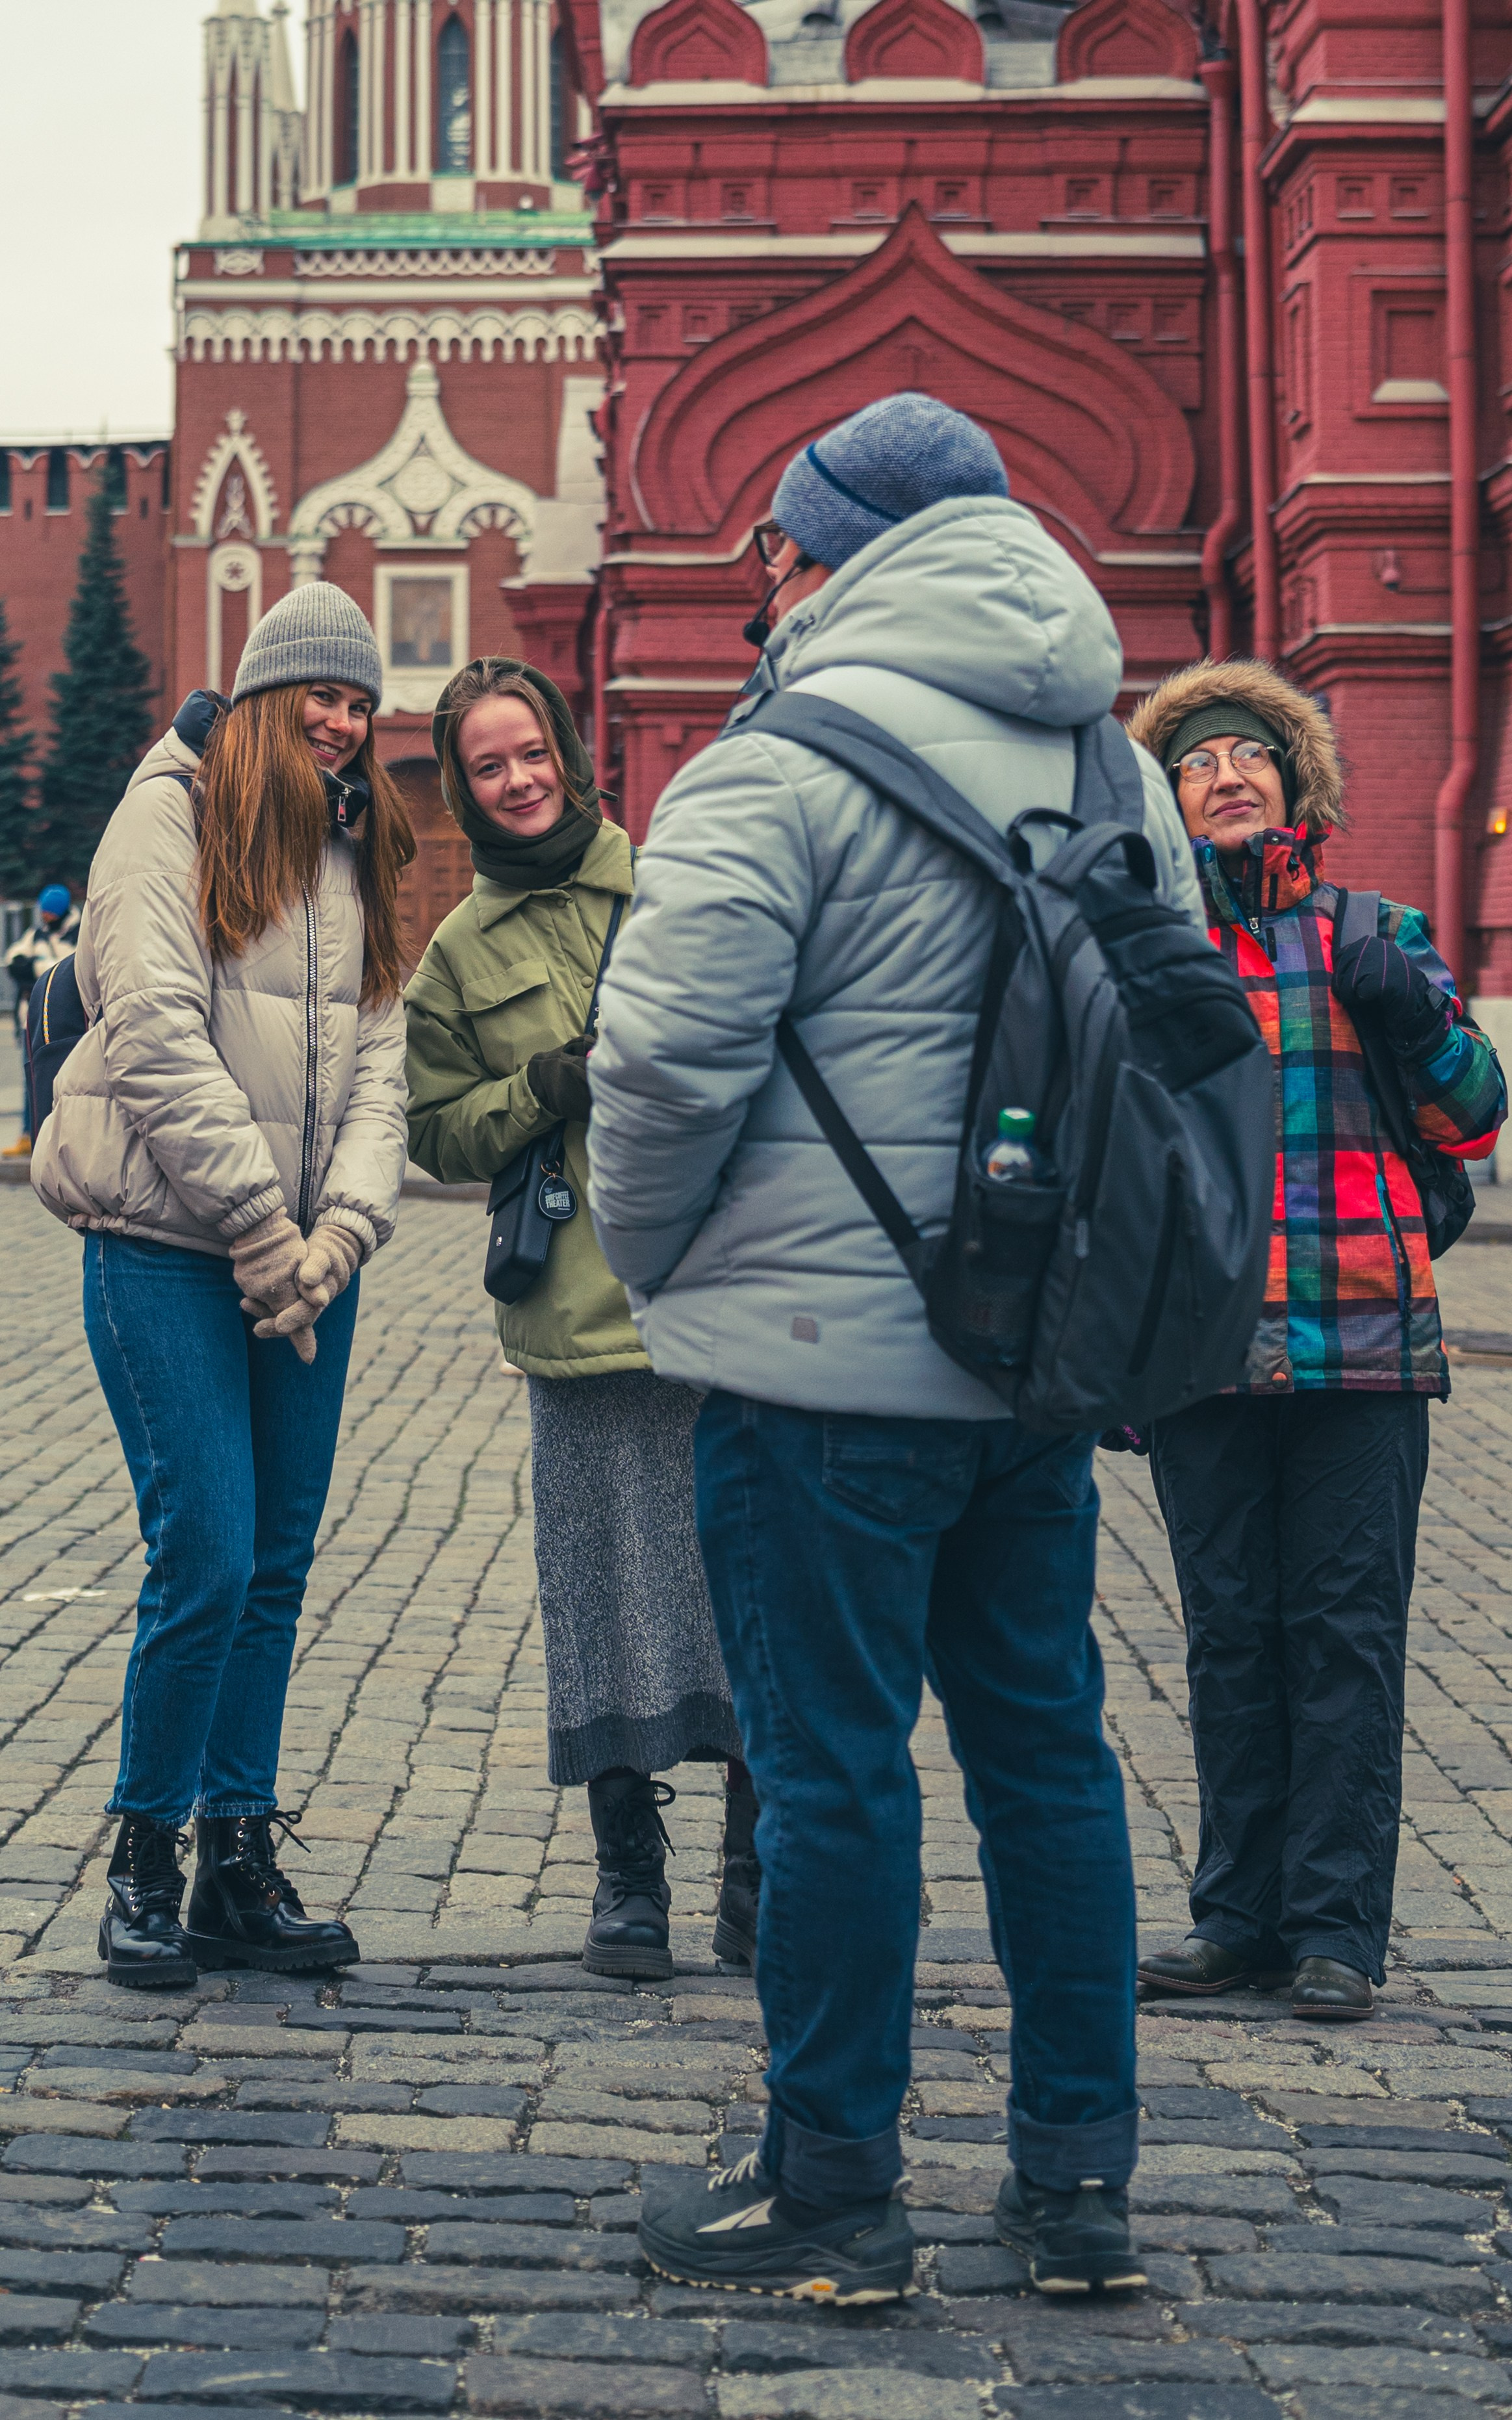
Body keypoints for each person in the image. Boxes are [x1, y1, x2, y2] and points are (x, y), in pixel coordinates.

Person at [586, 393, 1208, 2303]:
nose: (757, 583)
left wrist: (657, 1252)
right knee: (1048, 1753)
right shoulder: (1117, 761)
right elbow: (1172, 1039)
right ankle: (1075, 2178)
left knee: (831, 1763)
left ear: (828, 551)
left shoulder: (770, 766)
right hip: (1036, 1362)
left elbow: (664, 1061)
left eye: (769, 549)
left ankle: (837, 2186)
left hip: (811, 1372)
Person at [31, 582, 415, 1988]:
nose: (342, 719)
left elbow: (381, 1054)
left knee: (275, 1565)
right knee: (205, 1551)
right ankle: (141, 1858)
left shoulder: (350, 840)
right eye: (319, 693)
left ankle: (234, 1862)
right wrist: (263, 1228)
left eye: (361, 701)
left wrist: (342, 1234)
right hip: (168, 1250)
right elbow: (151, 1030)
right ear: (259, 698)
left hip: (307, 1261)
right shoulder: (169, 814)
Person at [1125, 660, 1506, 2021]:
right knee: (1228, 1634)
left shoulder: (1372, 928)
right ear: (1166, 802)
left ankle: (1335, 1926)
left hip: (1359, 1344)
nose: (1227, 776)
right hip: (1202, 1350)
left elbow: (1473, 1116)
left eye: (1249, 758)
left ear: (1293, 784)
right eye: (1196, 763)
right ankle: (1234, 1914)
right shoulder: (1145, 951)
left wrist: (1403, 1002)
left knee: (1343, 1631)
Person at [403, 656, 755, 1983]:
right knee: (602, 1595)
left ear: (566, 747)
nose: (516, 778)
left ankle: (751, 1872)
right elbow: (435, 1126)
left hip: (716, 1296)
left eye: (530, 750)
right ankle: (629, 1873)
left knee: (741, 1591)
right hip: (574, 1314)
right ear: (465, 787)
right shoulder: (458, 953)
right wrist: (538, 1091)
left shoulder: (669, 890)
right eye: (487, 765)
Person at [5, 883, 81, 1155]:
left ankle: (64, 1138)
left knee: (64, 1080)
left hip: (62, 1021)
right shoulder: (37, 933)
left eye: (50, 913)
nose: (45, 917)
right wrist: (33, 966)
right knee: (32, 1078)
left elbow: (64, 969)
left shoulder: (78, 933)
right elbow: (14, 957)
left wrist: (34, 966)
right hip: (31, 1018)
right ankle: (29, 1135)